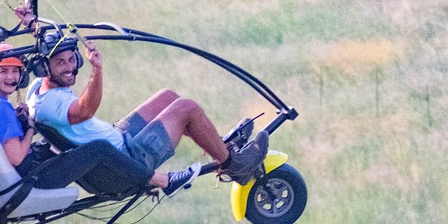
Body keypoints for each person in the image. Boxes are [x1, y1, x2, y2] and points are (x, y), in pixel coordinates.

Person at [26, 32, 267, 196]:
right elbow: (86, 110)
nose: (70, 68)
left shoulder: (37, 89)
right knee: (187, 108)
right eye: (60, 63)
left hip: (118, 137)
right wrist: (96, 70)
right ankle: (235, 165)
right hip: (125, 161)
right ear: (45, 67)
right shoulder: (51, 106)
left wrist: (30, 23)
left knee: (168, 97)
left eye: (72, 59)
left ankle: (219, 147)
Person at [0, 43, 38, 173]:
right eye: (3, 71)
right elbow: (16, 158)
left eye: (15, 71)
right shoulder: (2, 109)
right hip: (20, 180)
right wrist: (31, 128)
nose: (11, 77)